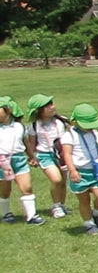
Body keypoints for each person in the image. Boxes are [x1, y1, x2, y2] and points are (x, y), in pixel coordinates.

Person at [59, 102, 98, 235]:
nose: (90, 128)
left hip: (94, 170)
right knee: (84, 200)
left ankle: (96, 213)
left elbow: (96, 150)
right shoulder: (69, 135)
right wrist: (73, 171)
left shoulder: (94, 133)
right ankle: (89, 224)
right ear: (75, 121)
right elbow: (67, 154)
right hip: (79, 171)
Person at [24, 94, 70, 219]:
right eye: (47, 106)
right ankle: (56, 206)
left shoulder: (61, 121)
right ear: (39, 111)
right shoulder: (34, 126)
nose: (52, 107)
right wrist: (32, 157)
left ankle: (62, 204)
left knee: (63, 182)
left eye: (52, 104)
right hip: (44, 154)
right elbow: (32, 143)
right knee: (56, 180)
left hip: (61, 155)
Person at [0, 96, 44, 224]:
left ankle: (31, 216)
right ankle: (6, 213)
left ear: (7, 110)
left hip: (19, 159)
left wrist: (32, 156)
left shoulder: (19, 126)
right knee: (4, 189)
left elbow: (25, 143)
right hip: (2, 162)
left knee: (27, 187)